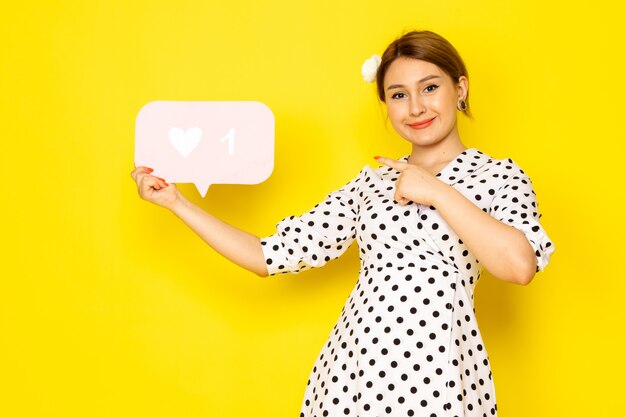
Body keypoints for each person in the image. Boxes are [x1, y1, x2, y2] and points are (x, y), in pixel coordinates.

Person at [131, 30, 555, 417]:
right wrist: (176, 202)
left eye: (430, 88)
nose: (417, 107)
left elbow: (519, 267)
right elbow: (268, 255)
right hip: (355, 372)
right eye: (398, 95)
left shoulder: (499, 176)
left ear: (459, 88)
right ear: (386, 106)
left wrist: (437, 191)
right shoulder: (370, 184)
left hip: (439, 370)